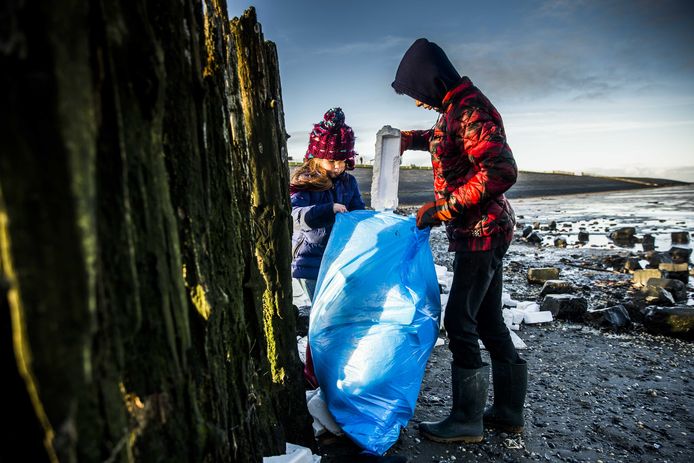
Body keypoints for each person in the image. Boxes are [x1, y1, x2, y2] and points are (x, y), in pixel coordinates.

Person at [392, 38, 527, 443]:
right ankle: (506, 412)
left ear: (432, 81)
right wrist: (408, 139)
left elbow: (502, 171)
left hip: (481, 232)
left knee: (459, 322)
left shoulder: (469, 109)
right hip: (485, 229)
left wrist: (443, 208)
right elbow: (446, 138)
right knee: (487, 320)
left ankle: (467, 420)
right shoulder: (454, 107)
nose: (418, 103)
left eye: (418, 93)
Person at [290, 107, 365, 388]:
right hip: (311, 260)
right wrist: (328, 209)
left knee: (338, 314)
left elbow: (359, 211)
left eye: (341, 161)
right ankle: (313, 373)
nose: (336, 166)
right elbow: (298, 216)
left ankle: (332, 369)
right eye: (330, 160)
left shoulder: (349, 182)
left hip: (339, 258)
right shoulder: (303, 183)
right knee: (321, 316)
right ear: (315, 156)